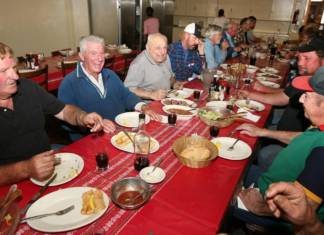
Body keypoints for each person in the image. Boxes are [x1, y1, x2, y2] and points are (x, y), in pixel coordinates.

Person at [0, 42, 111, 185]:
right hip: (12, 183)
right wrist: (26, 168)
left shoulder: (27, 87)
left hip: (49, 160)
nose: (15, 76)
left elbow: (64, 111)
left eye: (14, 68)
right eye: (4, 71)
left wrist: (83, 117)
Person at [236, 68, 324, 225]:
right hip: (270, 181)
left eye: (307, 95)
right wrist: (262, 132)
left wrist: (259, 206)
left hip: (273, 206)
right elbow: (304, 138)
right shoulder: (320, 127)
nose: (301, 100)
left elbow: (301, 211)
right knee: (233, 167)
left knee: (213, 195)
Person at [58, 35, 160, 122]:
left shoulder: (110, 75)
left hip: (120, 128)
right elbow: (67, 118)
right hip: (90, 137)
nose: (99, 58)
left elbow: (126, 96)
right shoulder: (69, 83)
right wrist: (93, 123)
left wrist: (143, 107)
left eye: (102, 53)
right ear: (82, 56)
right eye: (93, 53)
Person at [124, 33, 180, 100]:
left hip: (167, 99)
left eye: (165, 47)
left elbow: (170, 77)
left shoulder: (166, 57)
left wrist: (174, 84)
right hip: (147, 104)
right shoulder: (138, 64)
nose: (162, 52)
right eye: (158, 48)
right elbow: (128, 88)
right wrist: (151, 94)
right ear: (148, 48)